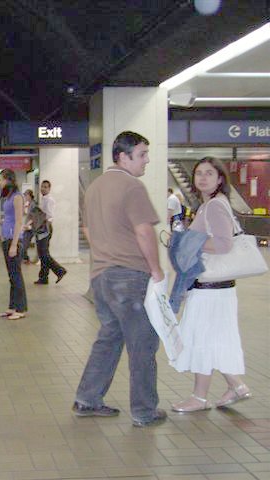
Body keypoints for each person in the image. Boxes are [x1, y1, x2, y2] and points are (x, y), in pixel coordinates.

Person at [73, 131, 166, 427]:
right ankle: (144, 411)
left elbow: (87, 229)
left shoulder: (95, 187)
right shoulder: (132, 186)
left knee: (110, 338)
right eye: (141, 154)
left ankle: (87, 399)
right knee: (143, 344)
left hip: (101, 277)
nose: (146, 160)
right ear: (122, 157)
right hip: (129, 277)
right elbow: (143, 231)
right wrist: (156, 269)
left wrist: (105, 251)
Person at [170, 157, 251, 412]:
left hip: (211, 288)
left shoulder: (215, 206)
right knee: (213, 338)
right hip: (216, 288)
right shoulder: (209, 205)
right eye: (199, 173)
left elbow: (224, 244)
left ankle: (200, 397)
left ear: (220, 179)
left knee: (202, 338)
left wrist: (188, 242)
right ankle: (237, 386)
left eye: (209, 173)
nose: (202, 178)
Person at [0, 169, 27, 320]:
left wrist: (14, 245)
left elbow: (18, 221)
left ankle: (21, 309)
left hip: (13, 240)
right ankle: (12, 307)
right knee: (11, 276)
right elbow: (9, 219)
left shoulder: (17, 197)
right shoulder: (9, 197)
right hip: (7, 239)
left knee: (16, 275)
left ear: (8, 180)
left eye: (1, 179)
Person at [34, 180, 67, 284]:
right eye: (42, 186)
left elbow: (49, 216)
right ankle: (43, 278)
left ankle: (60, 270)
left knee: (44, 253)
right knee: (42, 253)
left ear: (49, 189)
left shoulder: (49, 200)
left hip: (45, 227)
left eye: (45, 187)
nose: (43, 188)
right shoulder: (43, 199)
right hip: (41, 227)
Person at [21, 189, 36, 264]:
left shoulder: (33, 204)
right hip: (27, 226)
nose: (25, 197)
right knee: (24, 243)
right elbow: (24, 214)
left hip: (31, 227)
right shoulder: (29, 204)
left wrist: (27, 225)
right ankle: (26, 259)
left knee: (24, 244)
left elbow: (34, 216)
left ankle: (26, 259)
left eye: (26, 195)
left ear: (30, 195)